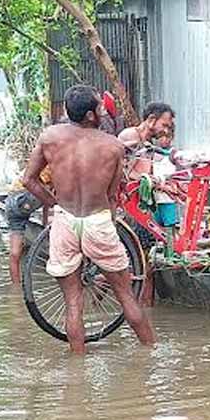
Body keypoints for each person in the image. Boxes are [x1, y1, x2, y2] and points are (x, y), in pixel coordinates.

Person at [23, 84, 155, 354]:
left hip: (65, 221)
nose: (103, 110)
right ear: (92, 115)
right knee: (126, 295)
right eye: (99, 106)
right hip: (98, 221)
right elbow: (113, 195)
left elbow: (29, 180)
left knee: (73, 302)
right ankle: (151, 353)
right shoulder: (113, 146)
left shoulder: (50, 138)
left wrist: (54, 203)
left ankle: (77, 371)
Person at [3, 170, 51, 284]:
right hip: (22, 197)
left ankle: (16, 288)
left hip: (10, 204)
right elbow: (47, 198)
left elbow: (46, 204)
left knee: (15, 253)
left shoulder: (40, 165)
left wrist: (45, 226)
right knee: (54, 194)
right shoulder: (51, 166)